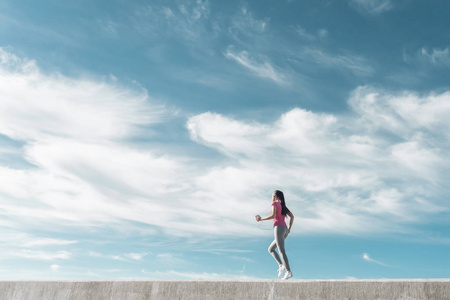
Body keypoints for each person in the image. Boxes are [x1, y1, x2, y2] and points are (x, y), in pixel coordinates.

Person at [256, 190, 294, 280]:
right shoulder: (283, 206)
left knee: (281, 251)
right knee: (271, 249)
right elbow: (292, 216)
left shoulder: (275, 203)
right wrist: (289, 228)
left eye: (273, 194)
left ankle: (288, 271)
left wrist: (261, 219)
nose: (272, 196)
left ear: (276, 196)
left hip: (278, 228)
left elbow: (273, 216)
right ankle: (281, 266)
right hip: (284, 230)